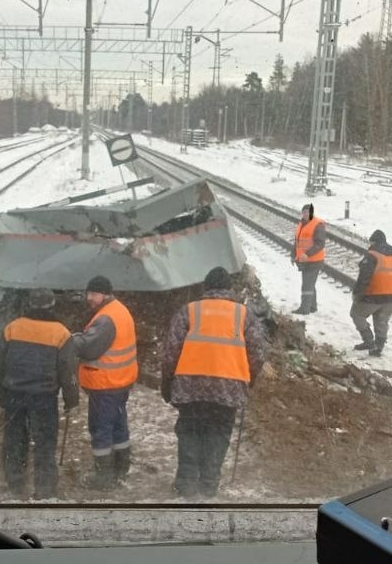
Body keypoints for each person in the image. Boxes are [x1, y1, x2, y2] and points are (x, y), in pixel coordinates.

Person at [160, 267, 267, 499]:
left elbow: (170, 351)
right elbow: (258, 353)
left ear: (205, 287)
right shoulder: (244, 315)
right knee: (218, 433)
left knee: (190, 432)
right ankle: (209, 485)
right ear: (229, 289)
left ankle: (186, 483)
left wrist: (167, 382)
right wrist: (248, 380)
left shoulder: (189, 311)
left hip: (190, 387)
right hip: (228, 389)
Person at [0, 289, 79, 500]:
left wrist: (0, 394)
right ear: (52, 305)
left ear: (29, 304)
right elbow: (67, 369)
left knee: (14, 439)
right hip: (44, 398)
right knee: (45, 442)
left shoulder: (12, 328)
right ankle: (45, 489)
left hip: (14, 394)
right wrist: (71, 399)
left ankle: (15, 484)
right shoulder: (61, 333)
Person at [72, 275, 138, 491]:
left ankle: (103, 477)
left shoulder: (106, 318)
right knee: (118, 425)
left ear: (105, 294)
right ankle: (121, 467)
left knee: (101, 428)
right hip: (120, 382)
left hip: (105, 384)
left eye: (93, 294)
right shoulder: (119, 310)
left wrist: (70, 339)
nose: (89, 298)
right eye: (88, 293)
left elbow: (89, 347)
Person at [350, 229, 392, 356]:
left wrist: (357, 294)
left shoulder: (372, 255)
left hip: (373, 294)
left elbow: (364, 278)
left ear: (374, 242)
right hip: (391, 296)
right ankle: (378, 348)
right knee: (381, 321)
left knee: (356, 314)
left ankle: (368, 341)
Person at [292, 202, 326, 315]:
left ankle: (304, 309)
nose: (306, 214)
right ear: (302, 213)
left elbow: (320, 243)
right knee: (310, 283)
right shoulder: (302, 224)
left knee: (307, 285)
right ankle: (312, 306)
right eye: (304, 212)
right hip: (304, 260)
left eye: (308, 212)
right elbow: (297, 242)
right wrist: (293, 255)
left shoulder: (318, 224)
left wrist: (308, 254)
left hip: (314, 260)